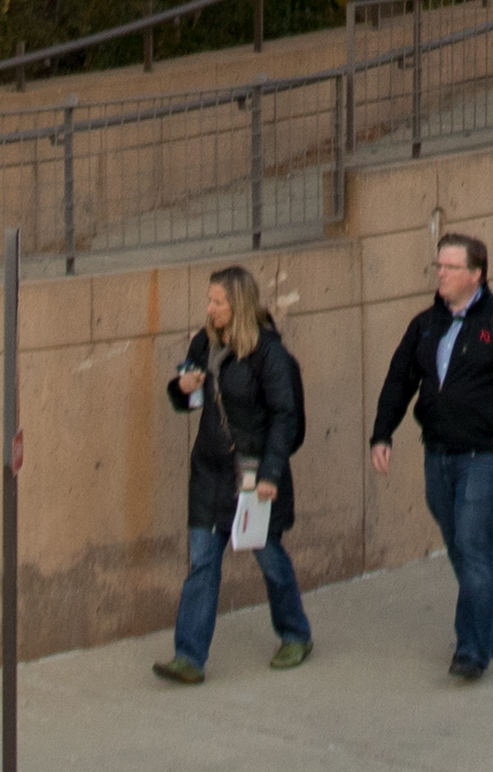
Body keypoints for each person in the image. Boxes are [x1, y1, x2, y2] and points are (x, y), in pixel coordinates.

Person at [365, 230, 493, 683]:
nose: (440, 274)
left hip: (486, 454)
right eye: (438, 266)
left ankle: (470, 650)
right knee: (460, 544)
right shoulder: (425, 325)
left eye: (450, 267)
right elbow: (399, 381)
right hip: (437, 452)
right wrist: (383, 434)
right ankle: (490, 629)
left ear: (476, 275)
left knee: (474, 544)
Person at [158, 262, 310, 681]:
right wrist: (182, 388)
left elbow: (286, 417)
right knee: (202, 563)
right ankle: (189, 656)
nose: (209, 308)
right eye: (209, 300)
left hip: (253, 475)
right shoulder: (203, 345)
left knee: (270, 559)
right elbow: (185, 397)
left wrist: (270, 474)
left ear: (238, 304)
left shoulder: (270, 355)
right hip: (210, 474)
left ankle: (295, 633)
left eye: (217, 301)